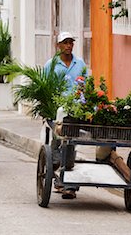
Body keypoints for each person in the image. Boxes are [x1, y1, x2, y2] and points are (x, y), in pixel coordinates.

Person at [44, 31, 87, 199]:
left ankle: (68, 183)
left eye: (71, 42)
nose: (69, 45)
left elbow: (85, 86)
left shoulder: (80, 64)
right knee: (57, 141)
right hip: (56, 111)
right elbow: (45, 88)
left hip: (75, 112)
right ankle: (57, 173)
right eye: (65, 42)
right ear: (58, 45)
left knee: (70, 143)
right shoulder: (51, 65)